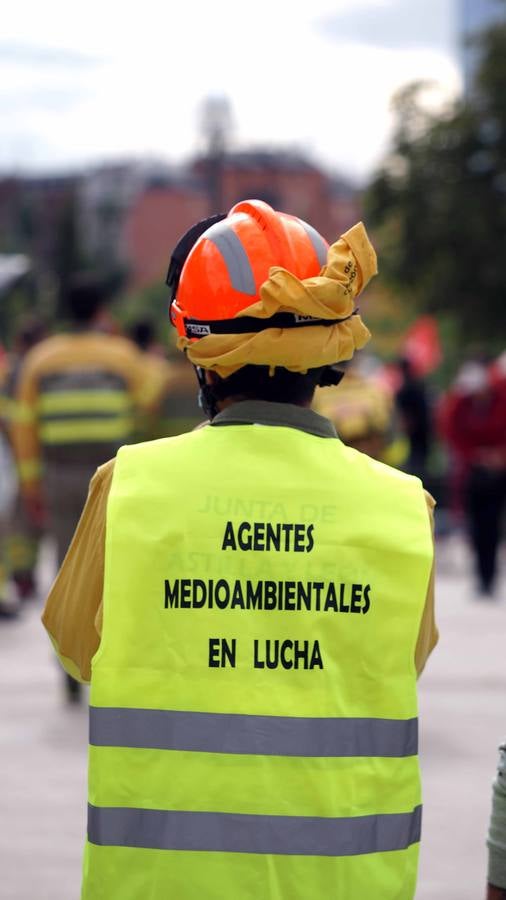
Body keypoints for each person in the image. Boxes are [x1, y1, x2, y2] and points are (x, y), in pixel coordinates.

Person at [42, 200, 437, 899]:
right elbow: (404, 658)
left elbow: (77, 650)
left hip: (161, 881)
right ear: (331, 353)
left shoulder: (128, 486)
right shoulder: (403, 506)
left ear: (198, 351)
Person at [11, 275, 149, 698]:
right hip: (115, 475)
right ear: (101, 312)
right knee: (118, 568)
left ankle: (68, 664)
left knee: (65, 566)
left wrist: (32, 484)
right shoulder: (124, 358)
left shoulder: (40, 360)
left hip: (59, 475)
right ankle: (111, 660)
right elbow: (146, 414)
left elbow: (24, 425)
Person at [438, 359, 506, 597]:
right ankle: (481, 576)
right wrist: (475, 456)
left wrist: (499, 455)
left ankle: (491, 576)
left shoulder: (501, 399)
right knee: (476, 526)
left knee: (493, 525)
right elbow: (451, 431)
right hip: (473, 472)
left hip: (499, 473)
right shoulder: (462, 404)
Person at [395, 356, 432, 480]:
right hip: (422, 430)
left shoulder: (407, 388)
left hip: (417, 431)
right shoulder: (417, 386)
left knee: (415, 463)